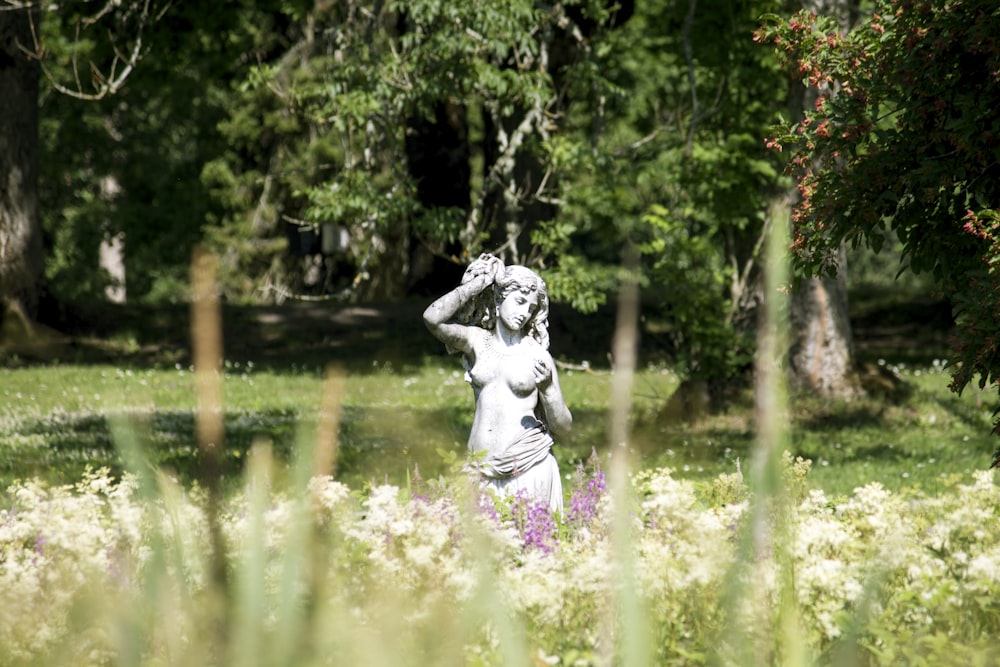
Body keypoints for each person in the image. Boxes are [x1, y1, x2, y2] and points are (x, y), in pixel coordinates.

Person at [423, 253, 572, 513]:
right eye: (520, 301)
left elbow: (564, 427)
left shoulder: (537, 356)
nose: (524, 312)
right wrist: (481, 282)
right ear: (500, 297)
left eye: (531, 307)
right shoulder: (476, 342)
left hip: (528, 466)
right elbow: (432, 318)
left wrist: (548, 390)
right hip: (481, 469)